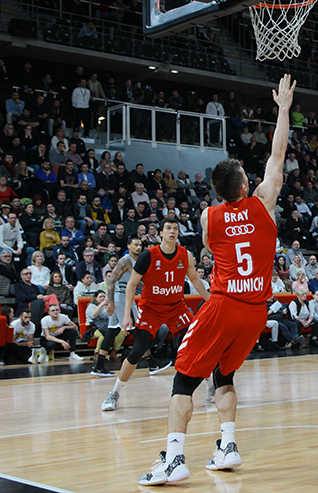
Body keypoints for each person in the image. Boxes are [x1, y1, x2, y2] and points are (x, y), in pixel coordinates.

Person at [137, 75, 293, 486]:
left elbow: (208, 247)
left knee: (183, 379)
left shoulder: (210, 217)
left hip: (223, 305)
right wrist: (282, 108)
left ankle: (174, 458)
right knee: (223, 376)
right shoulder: (264, 203)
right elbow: (277, 153)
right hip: (256, 311)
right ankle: (227, 446)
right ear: (246, 185)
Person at [101, 219, 209, 413]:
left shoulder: (185, 255)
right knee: (137, 350)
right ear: (160, 233)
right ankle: (114, 393)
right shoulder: (147, 256)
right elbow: (132, 285)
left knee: (196, 345)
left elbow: (194, 279)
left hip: (176, 307)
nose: (172, 231)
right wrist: (126, 315)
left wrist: (210, 301)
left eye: (175, 229)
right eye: (168, 228)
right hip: (150, 308)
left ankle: (211, 388)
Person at [91, 237, 142, 377]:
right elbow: (111, 280)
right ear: (128, 246)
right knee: (138, 330)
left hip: (122, 297)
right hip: (121, 298)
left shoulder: (135, 261)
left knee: (112, 332)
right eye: (135, 244)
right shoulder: (125, 261)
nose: (138, 247)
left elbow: (136, 283)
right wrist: (112, 302)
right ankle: (152, 362)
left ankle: (98, 366)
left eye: (140, 245)